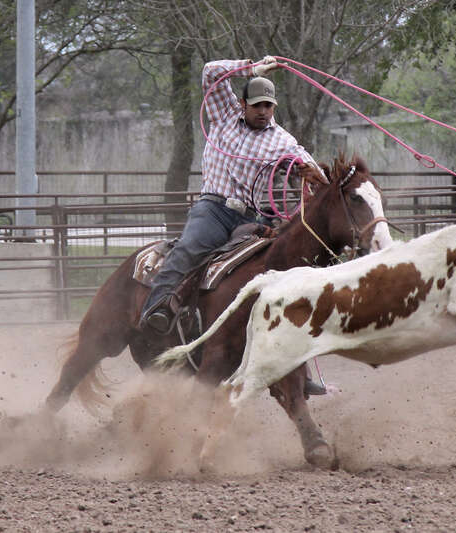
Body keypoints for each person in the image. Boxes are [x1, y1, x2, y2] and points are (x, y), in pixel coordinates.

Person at [140, 55, 328, 393]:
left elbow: (306, 161)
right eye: (256, 105)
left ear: (274, 107)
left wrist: (310, 171)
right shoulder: (223, 115)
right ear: (242, 104)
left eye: (268, 106)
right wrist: (252, 67)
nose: (262, 111)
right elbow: (211, 71)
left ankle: (297, 368)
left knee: (284, 270)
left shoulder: (282, 141)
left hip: (253, 217)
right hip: (214, 207)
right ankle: (158, 310)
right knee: (190, 248)